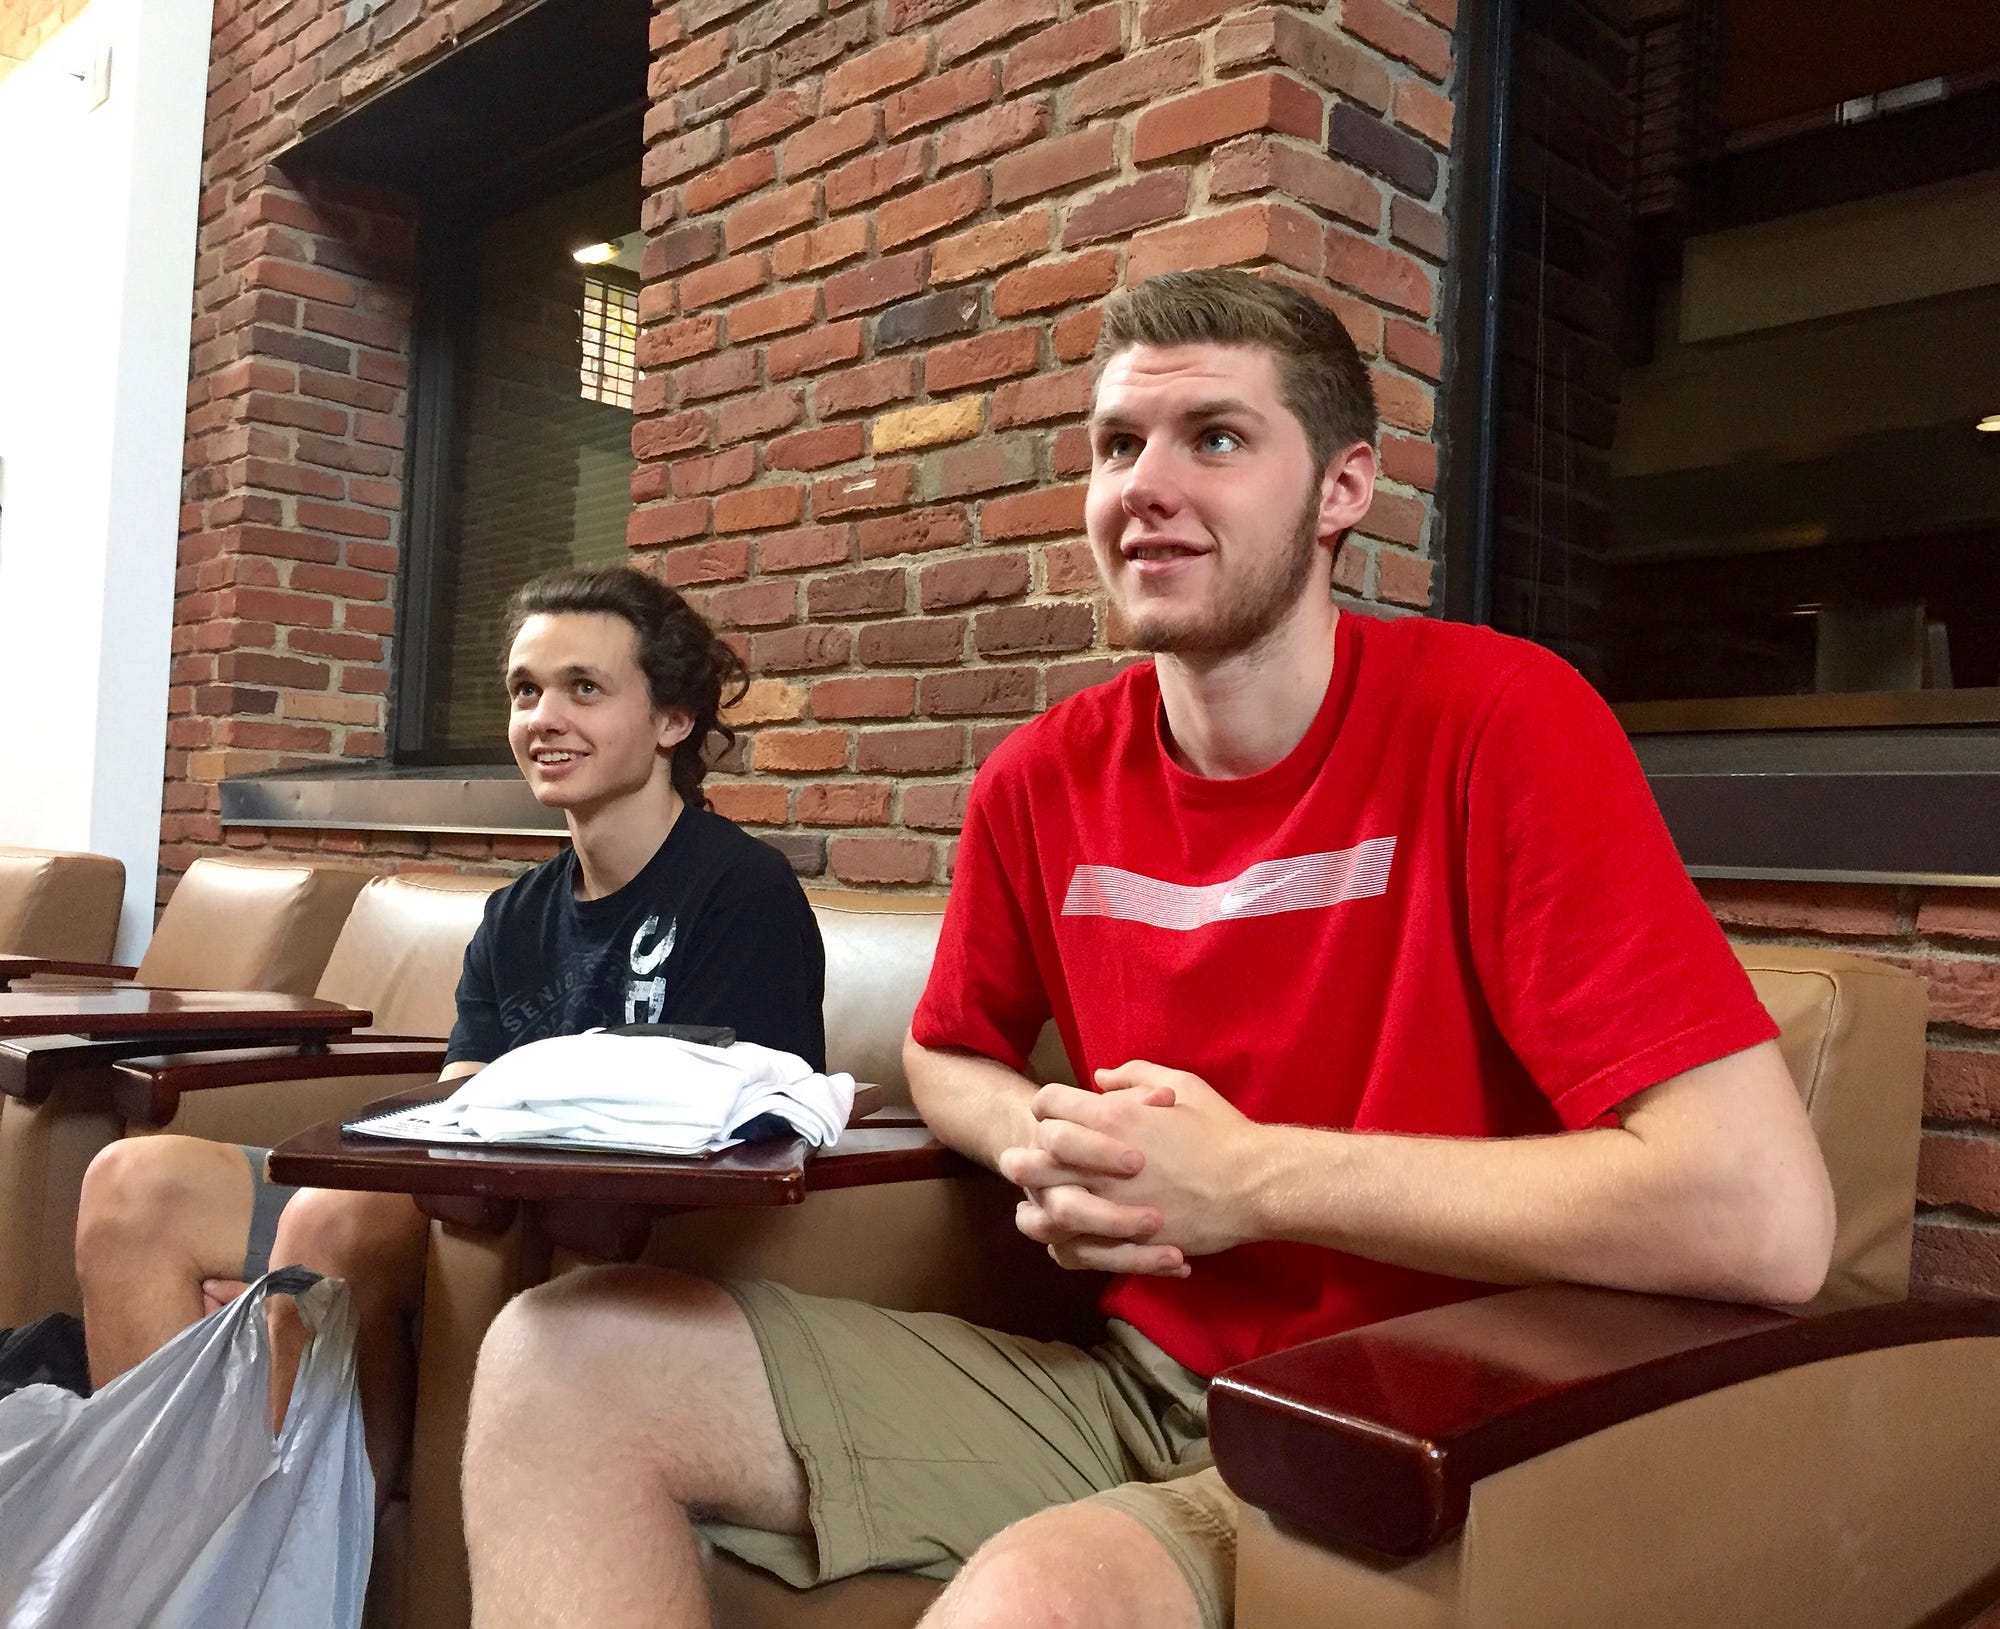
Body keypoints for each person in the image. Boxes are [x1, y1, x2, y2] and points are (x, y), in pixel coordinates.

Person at [457, 270, 1836, 1629]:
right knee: (561, 1354)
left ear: (1342, 489)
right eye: (1119, 444)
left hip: (1393, 1425)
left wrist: (1246, 1179)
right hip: (1131, 1383)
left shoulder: (1498, 722)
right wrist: (1051, 1145)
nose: (1146, 486)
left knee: (1027, 1600)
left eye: (1215, 439)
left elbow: (1761, 1218)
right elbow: (946, 1050)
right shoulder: (1040, 780)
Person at [73, 565, 826, 1488]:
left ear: (673, 719)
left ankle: (292, 1544)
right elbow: (462, 1098)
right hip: (471, 1202)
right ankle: (149, 1528)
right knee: (131, 1183)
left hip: (608, 1233)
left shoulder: (739, 892)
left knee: (327, 1218)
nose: (544, 717)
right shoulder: (515, 915)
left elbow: (750, 1133)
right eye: (526, 690)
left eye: (584, 688)